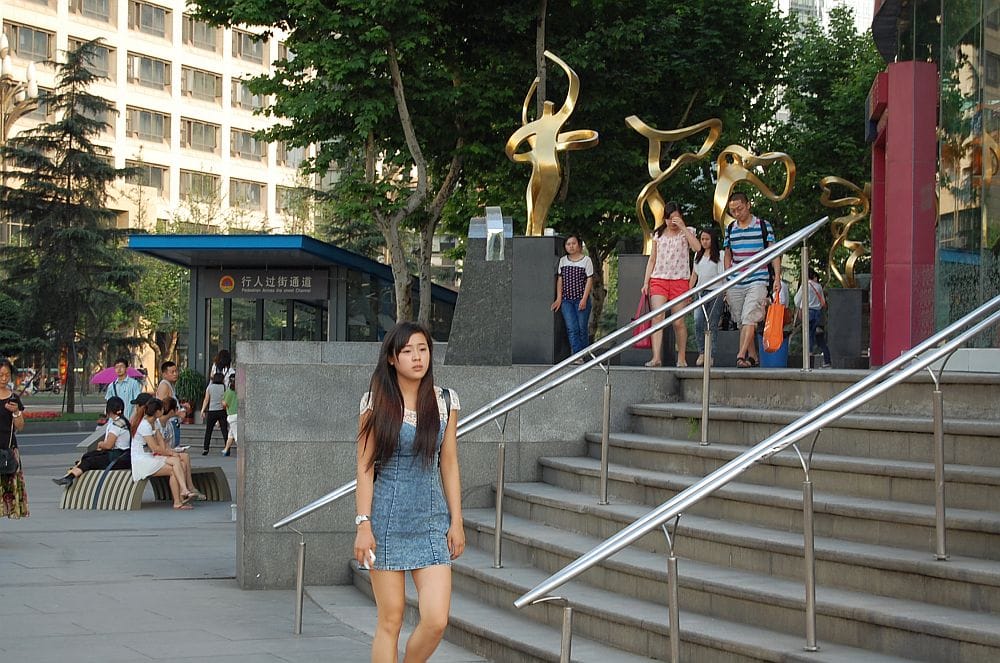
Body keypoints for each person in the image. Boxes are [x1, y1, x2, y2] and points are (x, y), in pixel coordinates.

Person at [353, 321, 464, 663]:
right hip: (385, 523)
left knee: (435, 620)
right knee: (391, 619)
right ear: (391, 359)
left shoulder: (445, 401)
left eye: (423, 349)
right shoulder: (375, 402)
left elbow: (449, 463)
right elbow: (365, 466)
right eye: (407, 351)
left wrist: (456, 520)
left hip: (431, 523)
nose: (417, 358)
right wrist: (363, 524)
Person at [723, 192, 782, 368]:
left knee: (750, 316)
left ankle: (740, 355)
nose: (736, 213)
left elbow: (774, 253)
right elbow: (728, 254)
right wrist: (727, 279)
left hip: (758, 278)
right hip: (736, 279)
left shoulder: (763, 226)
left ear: (748, 205)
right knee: (741, 320)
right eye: (732, 210)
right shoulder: (730, 228)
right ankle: (753, 356)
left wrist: (777, 277)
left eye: (739, 209)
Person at [641, 202, 701, 367]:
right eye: (668, 218)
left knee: (678, 322)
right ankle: (656, 357)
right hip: (659, 279)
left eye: (675, 217)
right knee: (657, 317)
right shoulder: (658, 234)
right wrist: (646, 282)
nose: (671, 222)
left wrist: (683, 227)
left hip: (680, 280)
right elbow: (652, 259)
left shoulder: (688, 232)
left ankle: (681, 357)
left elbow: (697, 248)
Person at [131, 397, 199, 509]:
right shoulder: (144, 425)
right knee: (175, 465)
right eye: (162, 409)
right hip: (141, 461)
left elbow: (161, 444)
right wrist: (171, 454)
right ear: (157, 412)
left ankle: (181, 496)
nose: (163, 411)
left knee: (179, 463)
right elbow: (155, 448)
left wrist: (169, 452)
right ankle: (182, 494)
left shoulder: (155, 423)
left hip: (150, 457)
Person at [52, 397, 131, 488]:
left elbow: (108, 445)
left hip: (117, 458)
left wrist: (100, 444)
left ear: (108, 409)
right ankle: (70, 476)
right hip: (123, 456)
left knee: (89, 460)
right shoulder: (124, 421)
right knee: (88, 456)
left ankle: (70, 476)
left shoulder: (117, 424)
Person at [550, 234, 595, 361]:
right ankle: (577, 356)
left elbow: (589, 280)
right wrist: (559, 298)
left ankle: (583, 354)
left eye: (573, 243)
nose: (571, 246)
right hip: (566, 301)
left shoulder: (586, 260)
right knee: (572, 328)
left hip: (581, 299)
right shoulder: (563, 261)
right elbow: (560, 280)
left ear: (579, 245)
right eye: (568, 244)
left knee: (582, 328)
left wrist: (584, 299)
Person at [690, 227, 725, 367]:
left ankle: (711, 355)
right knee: (698, 321)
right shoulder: (697, 255)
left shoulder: (720, 255)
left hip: (716, 292)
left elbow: (723, 275)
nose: (704, 242)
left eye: (707, 239)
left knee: (711, 323)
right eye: (702, 239)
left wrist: (725, 292)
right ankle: (702, 352)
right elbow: (694, 275)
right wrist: (688, 292)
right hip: (700, 292)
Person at [0, 359, 28, 519]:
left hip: (8, 449)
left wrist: (16, 412)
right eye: (1, 375)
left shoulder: (13, 399)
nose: (4, 379)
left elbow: (20, 426)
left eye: (7, 375)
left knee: (6, 490)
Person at [795, 268, 832, 368]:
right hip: (818, 315)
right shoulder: (818, 286)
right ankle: (827, 360)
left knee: (808, 336)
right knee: (820, 339)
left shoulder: (805, 285)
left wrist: (801, 307)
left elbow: (796, 300)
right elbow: (822, 302)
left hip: (808, 313)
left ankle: (808, 362)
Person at [200, 372, 229, 456]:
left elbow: (206, 400)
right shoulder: (224, 387)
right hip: (222, 411)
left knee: (208, 431)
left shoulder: (210, 387)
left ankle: (205, 448)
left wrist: (202, 410)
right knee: (224, 430)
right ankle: (227, 449)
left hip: (212, 411)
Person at [155, 360, 182, 444]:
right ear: (164, 374)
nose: (175, 374)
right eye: (172, 372)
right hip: (169, 424)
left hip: (173, 422)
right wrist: (178, 413)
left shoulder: (169, 385)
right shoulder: (164, 385)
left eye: (176, 371)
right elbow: (162, 409)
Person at [221, 374, 238, 457]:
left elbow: (224, 404)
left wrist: (222, 401)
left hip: (232, 415)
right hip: (239, 414)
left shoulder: (228, 392)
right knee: (230, 434)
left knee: (236, 434)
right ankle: (226, 449)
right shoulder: (240, 391)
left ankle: (243, 451)